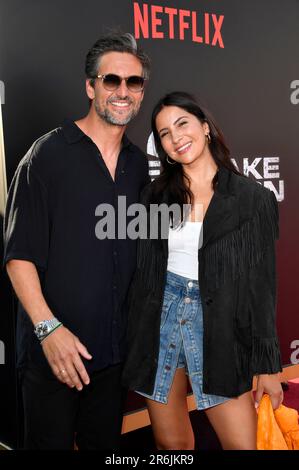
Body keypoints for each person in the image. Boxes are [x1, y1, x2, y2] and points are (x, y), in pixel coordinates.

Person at [3, 33, 150, 450]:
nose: (123, 91)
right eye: (112, 81)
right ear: (91, 87)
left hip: (112, 359)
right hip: (53, 356)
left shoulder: (138, 165)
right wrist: (49, 332)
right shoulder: (47, 155)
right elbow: (19, 256)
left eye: (134, 83)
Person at [122, 91, 283, 450]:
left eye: (182, 124)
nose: (176, 137)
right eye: (164, 133)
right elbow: (145, 274)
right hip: (160, 317)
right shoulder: (154, 197)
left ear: (205, 127)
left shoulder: (252, 199)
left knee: (242, 444)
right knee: (172, 444)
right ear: (161, 147)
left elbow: (261, 288)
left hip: (220, 321)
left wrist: (268, 365)